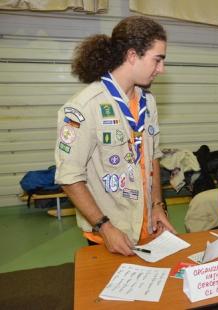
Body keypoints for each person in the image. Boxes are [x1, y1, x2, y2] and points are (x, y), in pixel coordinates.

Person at [55, 16, 176, 256]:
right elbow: (69, 177)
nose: (161, 69)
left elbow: (152, 157)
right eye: (157, 59)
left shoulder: (147, 102)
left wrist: (157, 206)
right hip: (110, 236)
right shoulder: (83, 108)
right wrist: (104, 227)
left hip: (149, 228)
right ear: (132, 56)